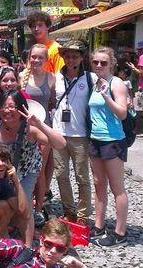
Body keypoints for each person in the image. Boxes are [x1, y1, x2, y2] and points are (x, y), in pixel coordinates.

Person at [0, 90, 65, 241]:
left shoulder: (30, 128)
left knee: (23, 206)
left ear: (21, 108)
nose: (7, 110)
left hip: (27, 170)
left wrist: (39, 124)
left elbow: (60, 144)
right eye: (3, 106)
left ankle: (27, 247)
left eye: (12, 106)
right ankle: (4, 237)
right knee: (1, 203)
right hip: (1, 171)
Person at [88, 47, 128, 248]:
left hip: (112, 140)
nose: (99, 66)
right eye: (95, 62)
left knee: (117, 188)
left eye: (103, 62)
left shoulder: (116, 83)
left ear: (112, 64)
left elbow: (122, 113)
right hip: (95, 139)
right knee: (98, 184)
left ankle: (120, 233)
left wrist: (106, 97)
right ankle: (99, 226)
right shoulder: (94, 83)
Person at [51, 41, 95, 224]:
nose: (71, 59)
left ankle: (83, 215)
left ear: (82, 57)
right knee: (61, 174)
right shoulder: (56, 77)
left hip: (81, 134)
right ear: (62, 57)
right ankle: (69, 212)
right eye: (67, 56)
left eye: (75, 56)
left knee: (82, 176)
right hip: (58, 132)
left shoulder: (90, 78)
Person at [19, 43, 56, 227]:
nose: (36, 60)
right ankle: (23, 203)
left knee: (39, 170)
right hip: (24, 129)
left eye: (40, 57)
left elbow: (53, 103)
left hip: (43, 128)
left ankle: (39, 207)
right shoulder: (21, 77)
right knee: (24, 167)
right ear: (29, 57)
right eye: (33, 57)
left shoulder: (51, 78)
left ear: (46, 60)